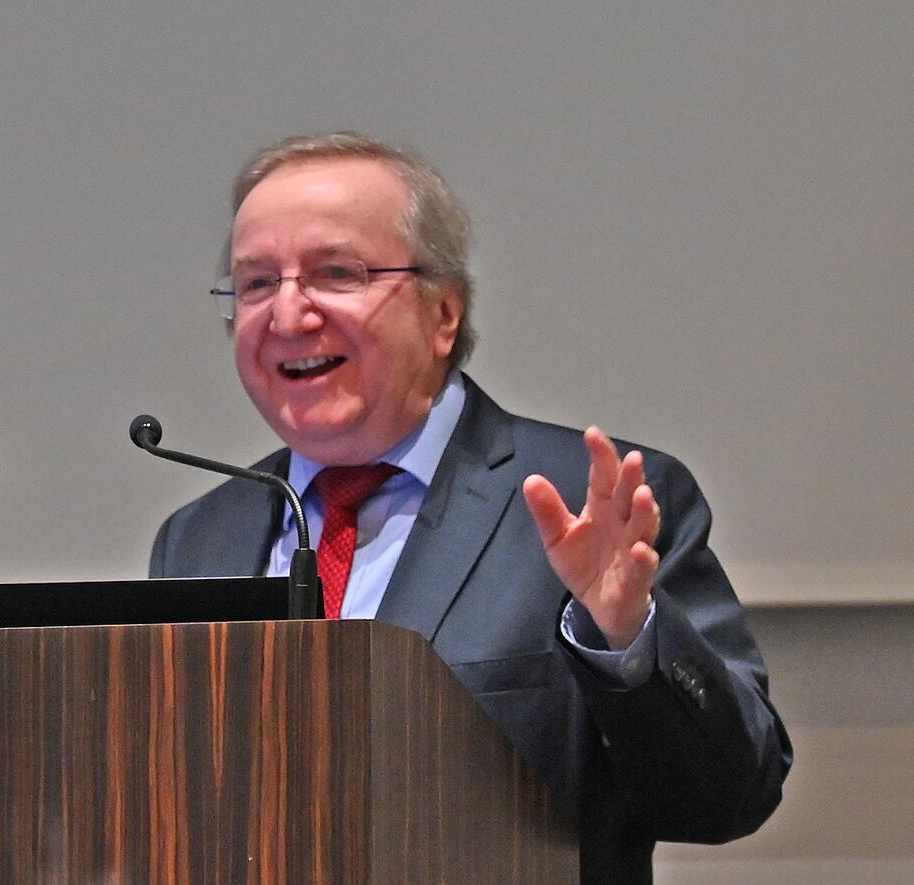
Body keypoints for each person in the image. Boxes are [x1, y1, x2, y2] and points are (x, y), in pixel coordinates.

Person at [150, 132, 791, 884]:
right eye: (256, 283)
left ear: (443, 312)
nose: (288, 314)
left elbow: (727, 798)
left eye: (335, 273)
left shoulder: (589, 505)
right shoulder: (199, 536)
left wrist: (626, 637)